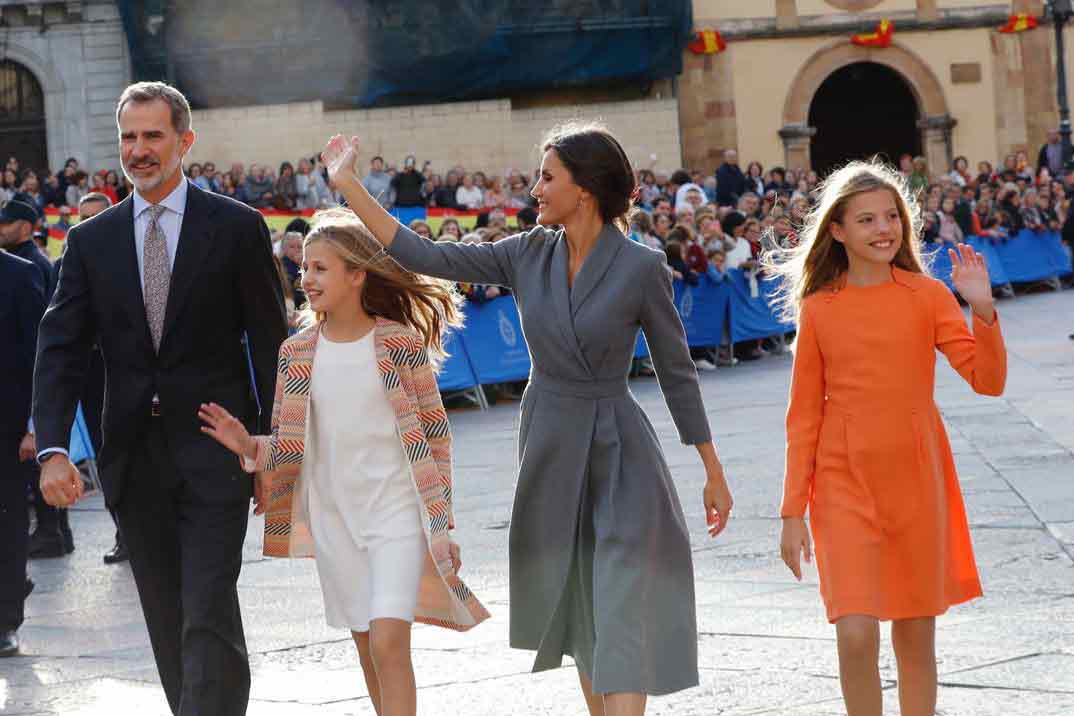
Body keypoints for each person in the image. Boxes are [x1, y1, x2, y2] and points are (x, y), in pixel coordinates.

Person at [322, 122, 733, 716]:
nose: (534, 189)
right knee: (583, 611)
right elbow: (423, 253)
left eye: (546, 177)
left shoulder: (642, 267)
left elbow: (677, 371)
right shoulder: (524, 253)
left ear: (584, 189)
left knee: (620, 601)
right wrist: (348, 184)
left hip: (621, 453)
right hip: (549, 444)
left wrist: (710, 467)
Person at [31, 81, 287, 716]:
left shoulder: (237, 227)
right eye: (128, 137)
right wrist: (54, 448)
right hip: (133, 458)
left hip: (215, 449)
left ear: (185, 141)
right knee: (171, 616)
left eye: (153, 136)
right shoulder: (91, 241)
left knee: (206, 609)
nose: (139, 150)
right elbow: (60, 346)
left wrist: (273, 449)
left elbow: (271, 345)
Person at [197, 208, 488, 716]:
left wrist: (444, 526)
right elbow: (290, 445)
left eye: (320, 268)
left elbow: (436, 437)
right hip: (335, 520)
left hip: (396, 513)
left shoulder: (398, 342)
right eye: (305, 268)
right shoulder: (296, 353)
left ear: (357, 275)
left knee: (388, 643)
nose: (306, 279)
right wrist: (248, 447)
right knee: (365, 645)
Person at [772, 161, 1006, 716]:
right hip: (841, 480)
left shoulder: (927, 295)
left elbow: (987, 381)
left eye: (892, 217)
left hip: (915, 478)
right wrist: (790, 512)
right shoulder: (819, 309)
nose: (884, 229)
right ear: (837, 230)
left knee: (915, 634)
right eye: (866, 219)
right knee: (855, 632)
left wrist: (983, 309)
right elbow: (803, 416)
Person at [0, 249, 47, 657]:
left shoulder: (20, 275)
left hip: (7, 430)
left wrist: (35, 427)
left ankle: (5, 620)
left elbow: (41, 357)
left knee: (8, 525)